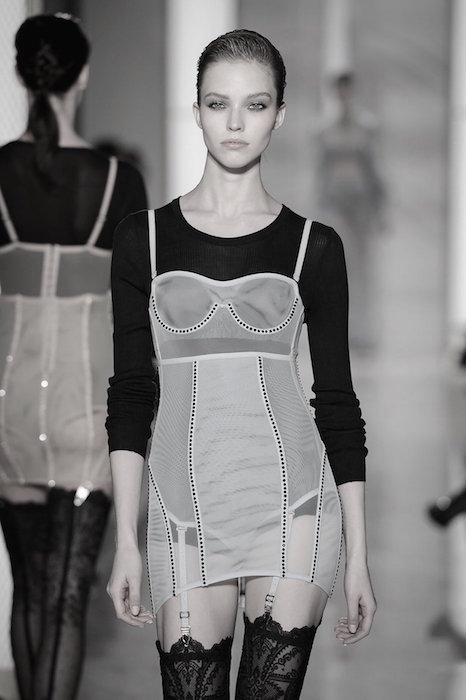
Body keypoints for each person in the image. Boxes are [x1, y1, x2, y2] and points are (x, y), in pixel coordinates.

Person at [106, 29, 376, 699]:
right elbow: (132, 394)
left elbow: (337, 404)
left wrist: (359, 558)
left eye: (254, 105)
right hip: (184, 511)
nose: (234, 123)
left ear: (279, 114)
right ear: (196, 110)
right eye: (217, 103)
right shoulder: (142, 240)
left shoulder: (314, 247)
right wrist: (126, 541)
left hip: (295, 508)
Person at [0, 13, 147, 700]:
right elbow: (136, 313)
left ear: (22, 75)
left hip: (9, 405)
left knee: (29, 589)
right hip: (86, 412)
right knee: (65, 596)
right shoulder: (120, 181)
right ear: (82, 76)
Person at [316, 72, 386, 350]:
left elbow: (375, 170)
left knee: (363, 267)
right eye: (340, 91)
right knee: (337, 265)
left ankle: (364, 330)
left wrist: (380, 210)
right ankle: (339, 329)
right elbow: (320, 173)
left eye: (348, 90)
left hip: (360, 204)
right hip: (336, 204)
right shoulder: (324, 130)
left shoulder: (366, 128)